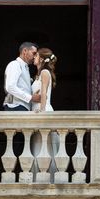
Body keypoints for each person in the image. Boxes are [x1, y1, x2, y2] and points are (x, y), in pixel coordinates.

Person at [31, 48, 59, 181]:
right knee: (38, 146)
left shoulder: (44, 72)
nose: (33, 58)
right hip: (37, 109)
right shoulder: (38, 74)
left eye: (36, 56)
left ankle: (48, 179)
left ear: (41, 59)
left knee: (45, 147)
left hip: (44, 110)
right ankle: (39, 177)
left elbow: (44, 94)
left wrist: (42, 112)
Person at [3, 42, 42, 111]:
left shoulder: (25, 68)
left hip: (22, 107)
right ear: (25, 51)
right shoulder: (15, 64)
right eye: (34, 53)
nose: (35, 56)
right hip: (15, 107)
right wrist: (30, 98)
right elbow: (10, 87)